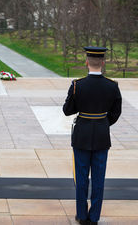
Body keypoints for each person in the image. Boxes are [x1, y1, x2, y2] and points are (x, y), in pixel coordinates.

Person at [63, 46, 122, 225]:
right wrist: (102, 123)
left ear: (86, 62)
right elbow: (115, 113)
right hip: (102, 137)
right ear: (103, 63)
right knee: (98, 179)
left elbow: (67, 111)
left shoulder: (77, 85)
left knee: (81, 178)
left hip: (81, 135)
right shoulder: (112, 86)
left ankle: (82, 216)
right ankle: (94, 217)